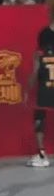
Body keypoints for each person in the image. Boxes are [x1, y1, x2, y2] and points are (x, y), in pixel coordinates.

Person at [25, 22, 54, 167]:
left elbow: (35, 74)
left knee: (39, 118)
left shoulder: (39, 54)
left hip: (45, 90)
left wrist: (27, 90)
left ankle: (42, 155)